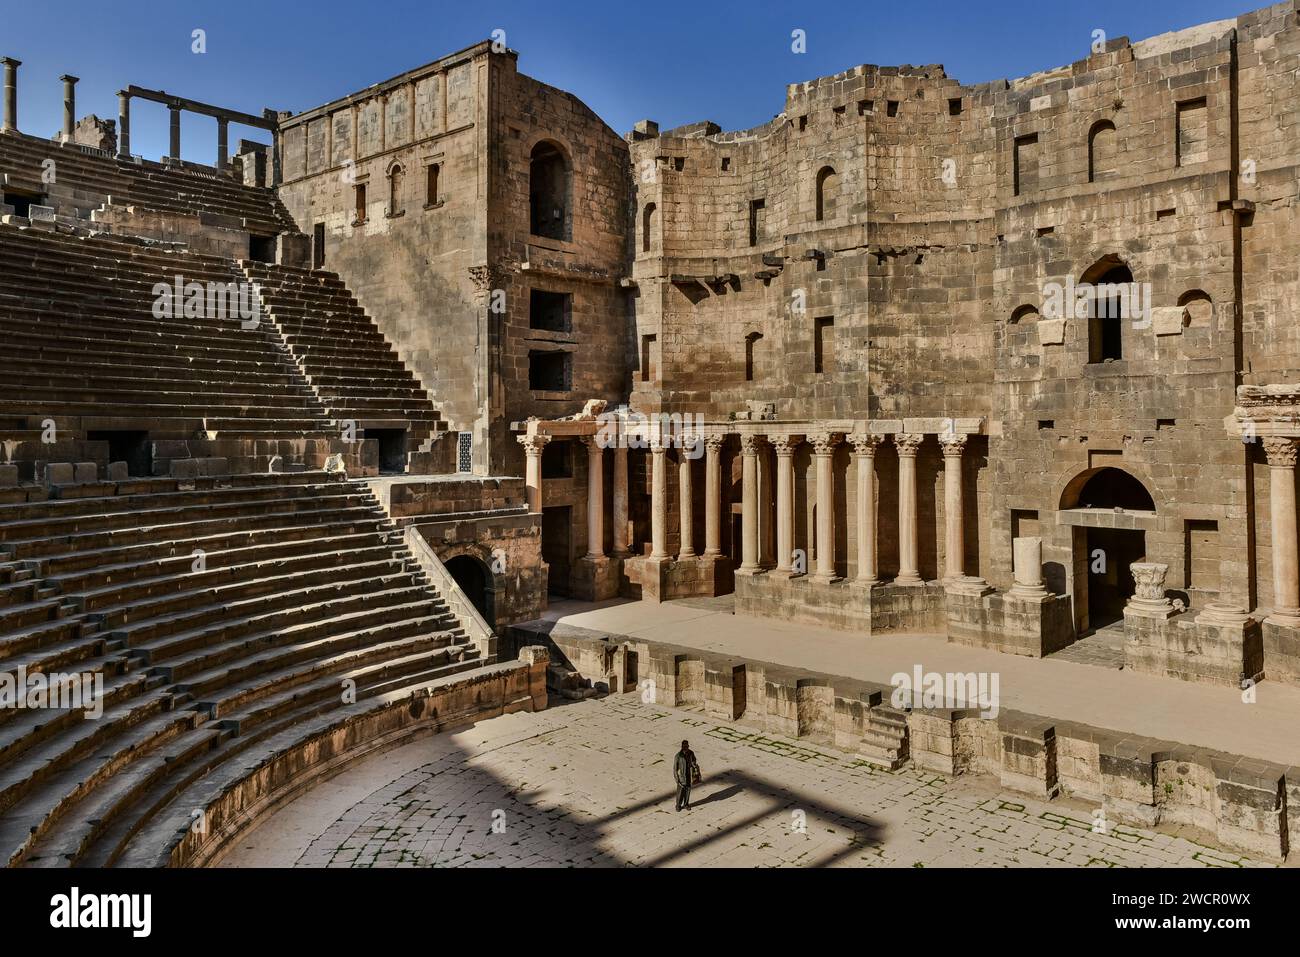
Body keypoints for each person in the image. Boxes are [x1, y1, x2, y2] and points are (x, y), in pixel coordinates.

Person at [673, 739, 700, 811]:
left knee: (688, 791)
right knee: (680, 792)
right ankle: (678, 805)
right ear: (682, 747)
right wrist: (677, 779)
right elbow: (675, 769)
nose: (686, 748)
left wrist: (694, 764)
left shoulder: (691, 753)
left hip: (689, 775)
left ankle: (686, 804)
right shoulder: (678, 756)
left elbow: (694, 760)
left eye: (687, 746)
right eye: (684, 746)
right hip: (681, 777)